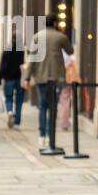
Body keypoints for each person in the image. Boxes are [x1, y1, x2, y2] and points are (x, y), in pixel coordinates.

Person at [23, 15, 71, 148]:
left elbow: (31, 59)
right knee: (53, 107)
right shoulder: (60, 37)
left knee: (42, 106)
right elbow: (70, 50)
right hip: (56, 77)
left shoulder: (37, 37)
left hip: (41, 77)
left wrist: (27, 78)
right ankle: (50, 136)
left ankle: (42, 135)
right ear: (55, 23)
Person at [0, 25, 25, 129]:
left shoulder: (7, 49)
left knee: (8, 98)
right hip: (20, 78)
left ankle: (9, 112)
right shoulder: (22, 51)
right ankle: (17, 122)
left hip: (8, 78)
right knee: (19, 100)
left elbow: (2, 65)